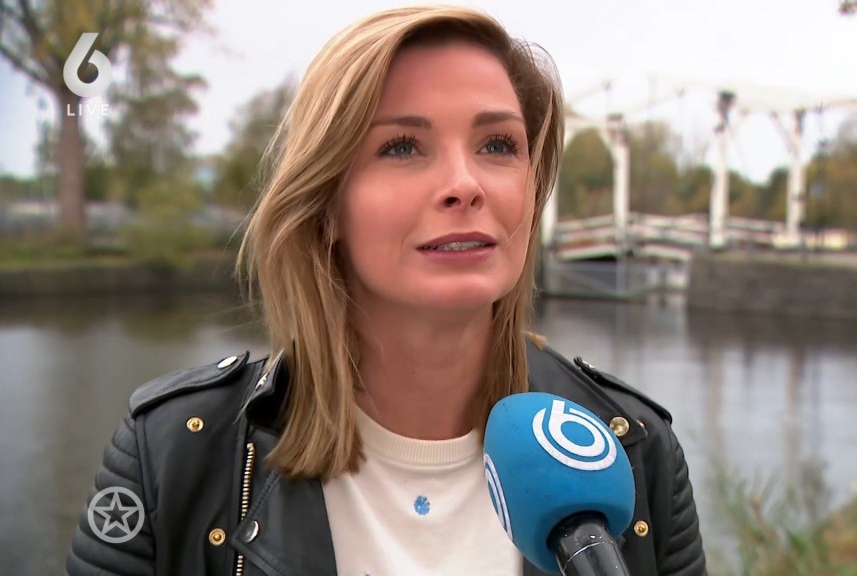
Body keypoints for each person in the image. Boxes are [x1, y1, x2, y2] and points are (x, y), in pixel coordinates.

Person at [65, 5, 706, 575]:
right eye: (402, 147)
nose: (465, 185)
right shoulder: (174, 452)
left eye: (497, 144)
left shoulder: (634, 448)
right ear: (326, 206)